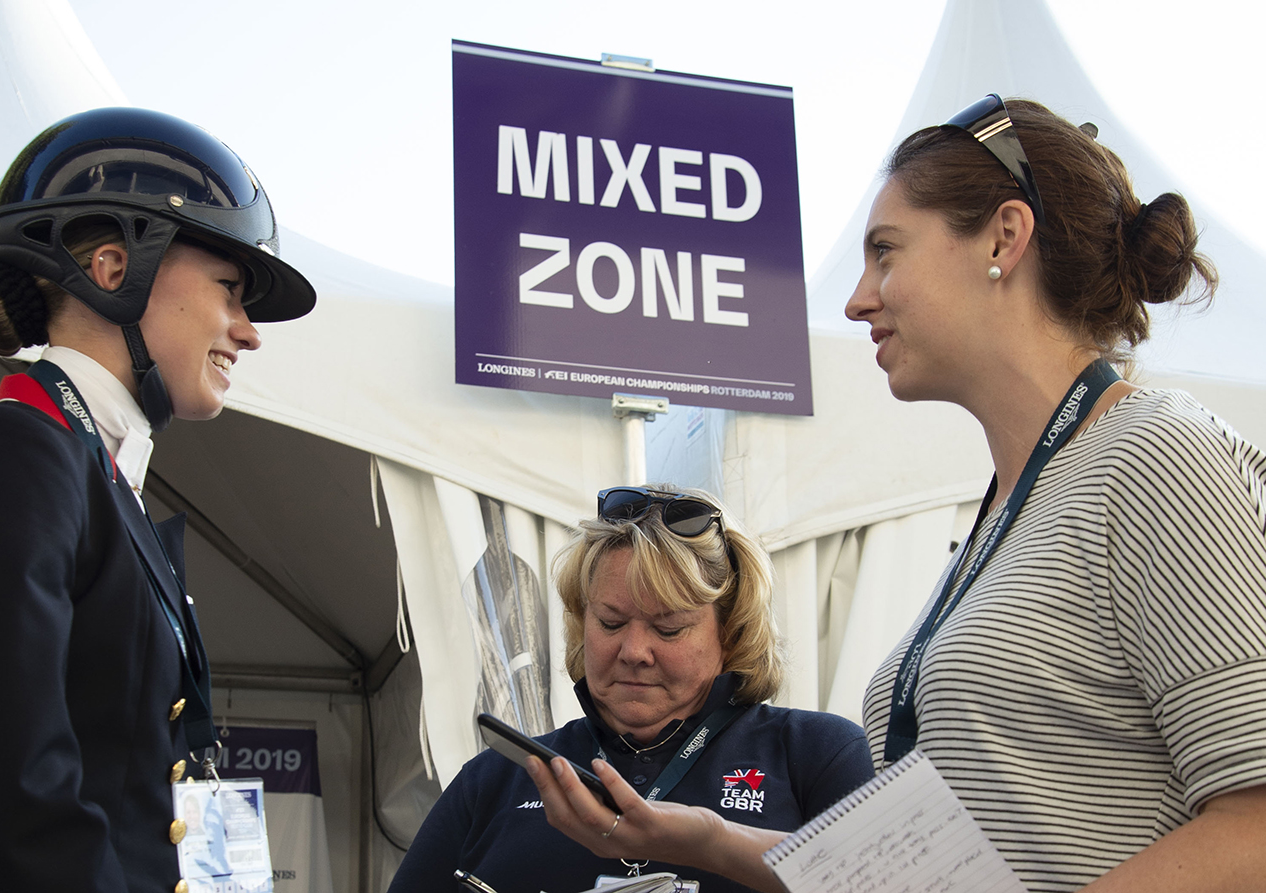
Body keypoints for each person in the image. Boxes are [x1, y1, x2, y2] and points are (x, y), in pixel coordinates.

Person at [529, 96, 1266, 893]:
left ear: (1003, 238)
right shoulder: (1008, 514)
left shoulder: (1156, 454)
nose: (858, 297)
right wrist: (702, 837)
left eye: (886, 251)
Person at [0, 107, 315, 892]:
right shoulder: (5, 455)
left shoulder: (98, 479)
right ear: (116, 267)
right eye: (230, 289)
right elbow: (20, 811)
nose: (249, 332)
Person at [388, 485, 873, 893]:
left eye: (668, 628)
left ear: (730, 633)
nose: (634, 650)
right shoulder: (495, 779)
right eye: (611, 621)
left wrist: (712, 844)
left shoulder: (817, 755)